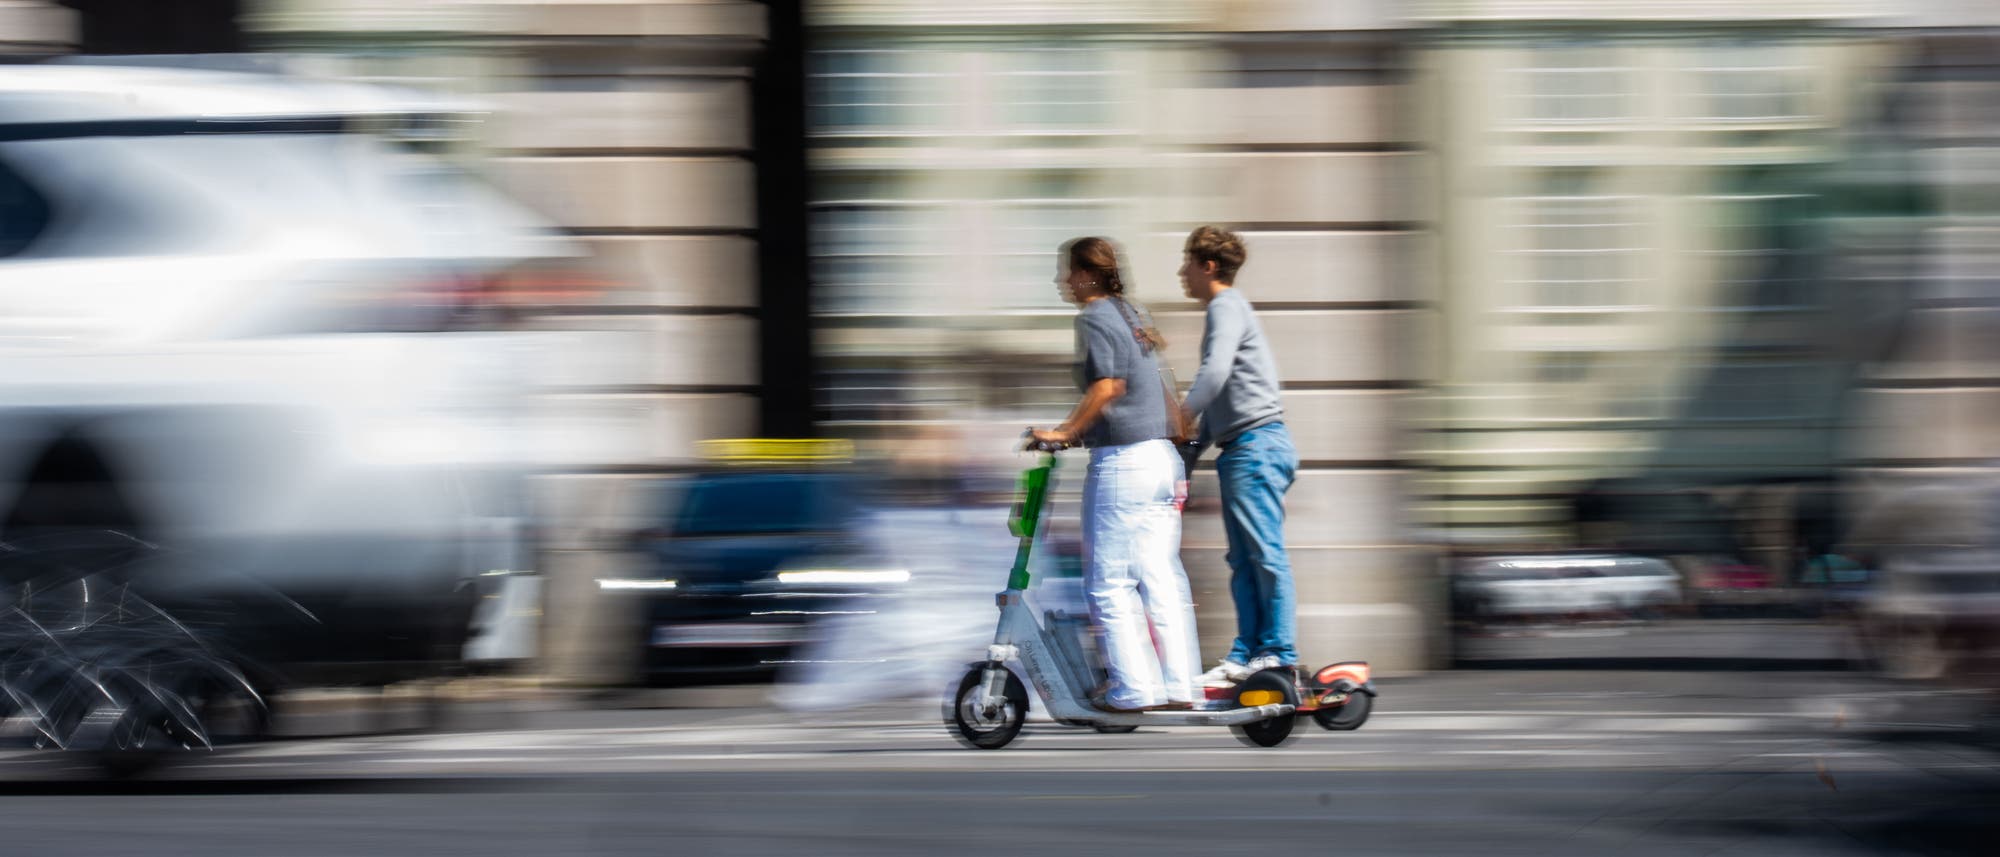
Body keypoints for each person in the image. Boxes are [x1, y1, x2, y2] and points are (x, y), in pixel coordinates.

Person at [1028, 237, 1202, 711]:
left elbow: (1108, 385)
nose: (1062, 281)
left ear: (1088, 274)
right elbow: (1159, 386)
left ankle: (1135, 688)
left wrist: (1065, 431)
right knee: (1161, 577)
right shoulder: (1133, 313)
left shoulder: (1094, 317)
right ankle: (1182, 685)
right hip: (1161, 459)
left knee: (1108, 581)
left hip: (1125, 463)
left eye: (1067, 272)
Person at [1176, 225, 1301, 687]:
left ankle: (1279, 652)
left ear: (1208, 266)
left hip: (1257, 446)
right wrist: (1188, 451)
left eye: (1186, 262)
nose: (1181, 273)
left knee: (1264, 555)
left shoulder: (1226, 306)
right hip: (1244, 448)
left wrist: (1181, 414)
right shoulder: (1227, 309)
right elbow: (1221, 395)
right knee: (1243, 559)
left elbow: (1214, 374)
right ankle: (1249, 651)